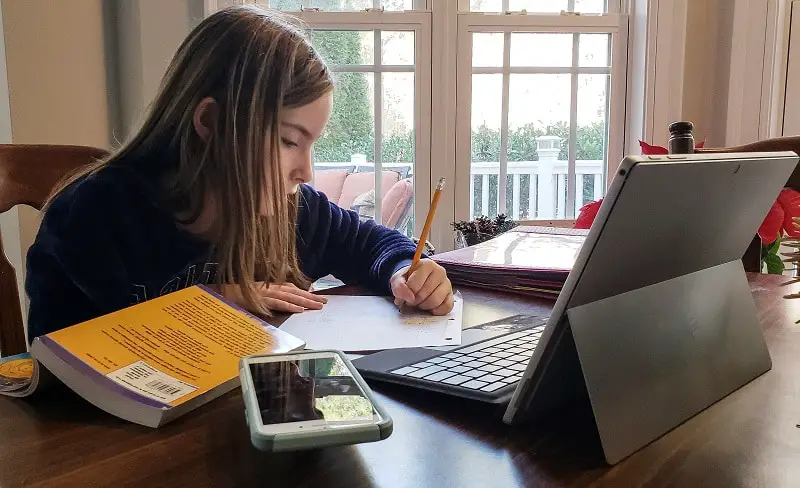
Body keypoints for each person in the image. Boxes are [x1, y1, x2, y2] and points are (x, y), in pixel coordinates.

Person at [24, 5, 454, 341]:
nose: (305, 171)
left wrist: (404, 270)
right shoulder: (93, 215)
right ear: (210, 124)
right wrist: (210, 303)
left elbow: (372, 244)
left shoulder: (292, 209)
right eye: (289, 141)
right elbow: (62, 363)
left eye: (311, 143)